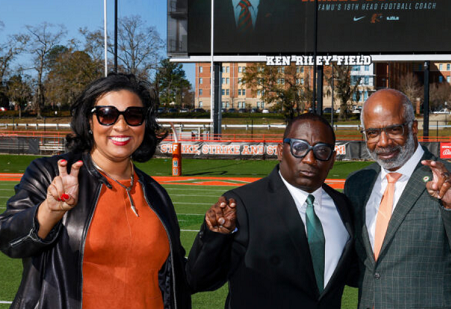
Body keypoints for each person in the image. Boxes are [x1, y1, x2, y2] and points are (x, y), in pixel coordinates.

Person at [0, 73, 192, 309]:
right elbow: (9, 240)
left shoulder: (156, 194)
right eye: (107, 115)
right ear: (89, 122)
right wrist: (49, 210)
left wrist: (215, 236)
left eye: (133, 116)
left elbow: (178, 275)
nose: (121, 126)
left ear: (144, 124)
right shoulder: (50, 173)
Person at [186, 113, 356, 308]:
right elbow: (199, 279)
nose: (310, 159)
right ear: (280, 151)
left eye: (322, 151)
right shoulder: (242, 204)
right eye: (299, 147)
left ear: (333, 159)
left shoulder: (344, 207)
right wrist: (216, 236)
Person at [344, 89, 451, 308]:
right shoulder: (358, 184)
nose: (383, 142)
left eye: (393, 129)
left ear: (413, 127)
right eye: (373, 132)